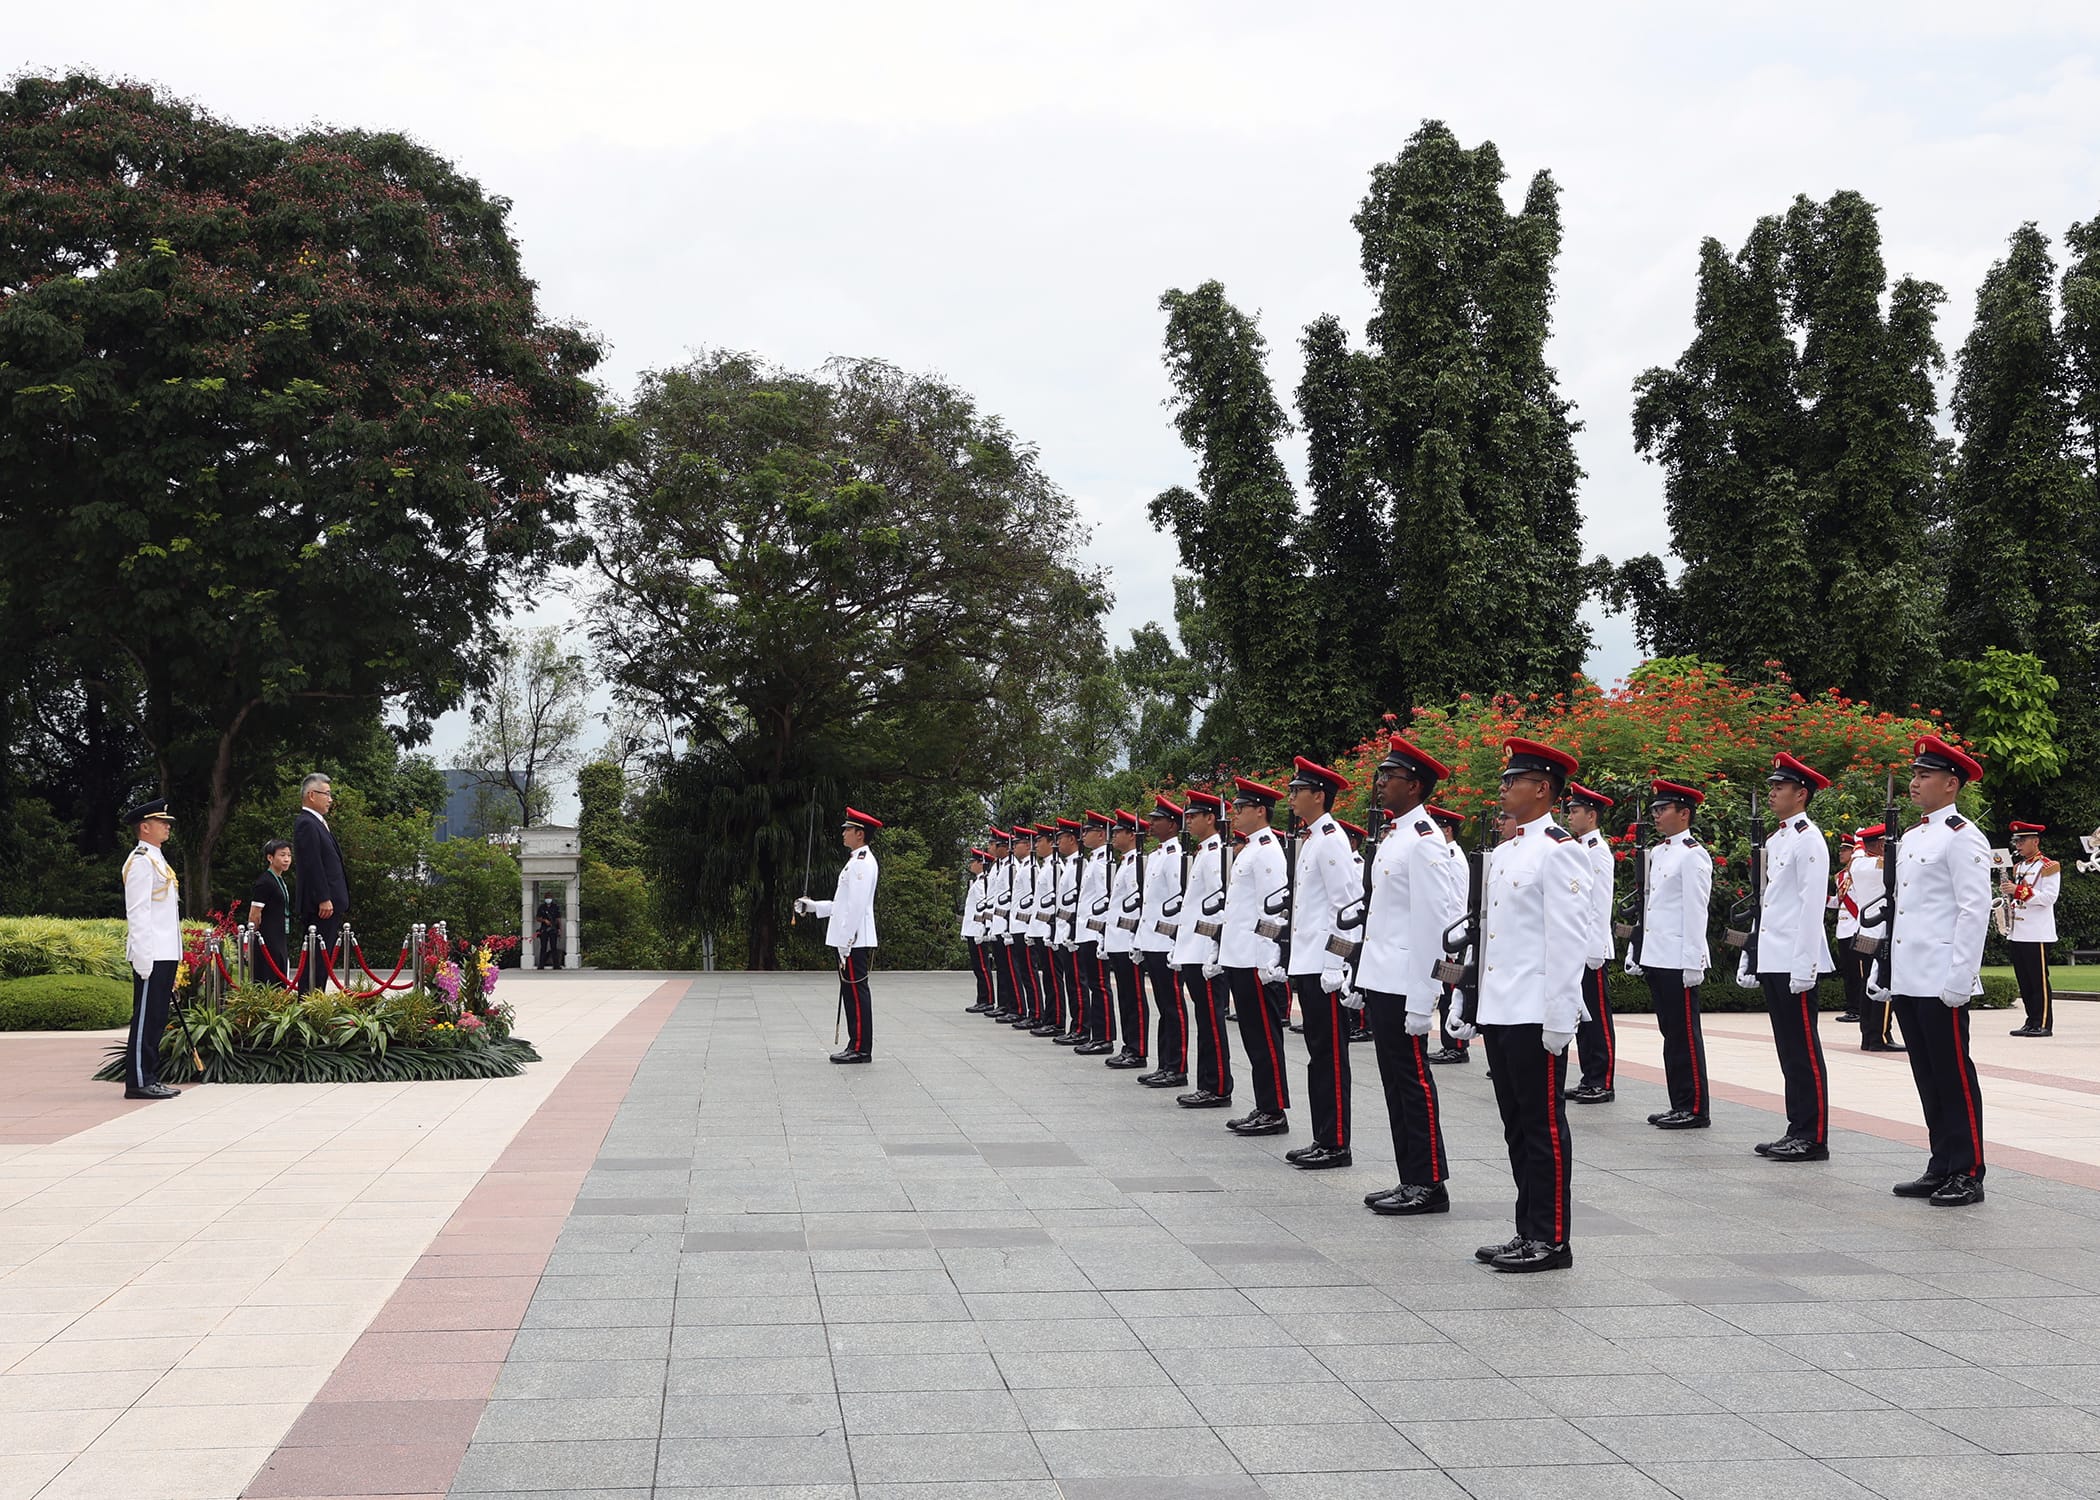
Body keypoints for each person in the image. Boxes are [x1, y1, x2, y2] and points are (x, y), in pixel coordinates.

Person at [1449, 738, 1588, 1273]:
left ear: (1543, 788)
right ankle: (1526, 1227)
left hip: (1536, 1009)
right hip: (1503, 1008)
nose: (1503, 787)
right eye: (1505, 779)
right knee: (1515, 1125)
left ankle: (1551, 1238)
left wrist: (1561, 1014)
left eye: (1514, 780)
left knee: (1542, 1125)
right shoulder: (1505, 852)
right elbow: (1489, 938)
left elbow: (1568, 940)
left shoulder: (1560, 850)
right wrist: (1468, 997)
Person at [1873, 735, 1991, 1207]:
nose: (1915, 782)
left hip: (1942, 978)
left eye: (1924, 775)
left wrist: (1960, 977)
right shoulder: (1916, 836)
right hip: (1910, 975)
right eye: (1915, 774)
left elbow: (1973, 910)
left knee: (1954, 1075)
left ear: (1951, 783)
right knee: (1927, 1074)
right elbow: (1904, 910)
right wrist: (1887, 966)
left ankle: (1967, 1170)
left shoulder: (1964, 836)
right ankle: (1941, 1162)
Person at [1356, 736, 1466, 1216]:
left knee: (1413, 1081)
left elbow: (1432, 924)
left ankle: (1428, 1182)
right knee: (1394, 1081)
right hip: (1382, 977)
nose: (1380, 783)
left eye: (1389, 777)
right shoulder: (1395, 835)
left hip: (1405, 983)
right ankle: (1409, 1177)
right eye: (1381, 775)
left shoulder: (1423, 841)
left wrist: (1426, 999)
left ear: (1415, 785)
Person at [1742, 753, 1836, 1164]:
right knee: (1788, 1049)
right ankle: (1796, 1127)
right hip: (1775, 957)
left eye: (1780, 787)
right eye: (1772, 786)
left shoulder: (1808, 839)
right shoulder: (1779, 839)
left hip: (1795, 961)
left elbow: (1810, 907)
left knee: (1803, 1051)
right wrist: (1755, 953)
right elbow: (1770, 906)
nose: (1772, 792)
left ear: (1801, 794)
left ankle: (1813, 1136)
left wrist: (1805, 966)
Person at [1285, 756, 1359, 1170]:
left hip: (1322, 966)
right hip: (1308, 962)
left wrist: (1336, 963)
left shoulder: (1330, 838)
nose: (1292, 797)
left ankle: (1335, 1142)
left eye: (1299, 791)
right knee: (1318, 1054)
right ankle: (1323, 1136)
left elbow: (1345, 906)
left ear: (1319, 795)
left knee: (1330, 1055)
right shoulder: (1313, 838)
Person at [1631, 779, 1714, 1130]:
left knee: (1684, 1035)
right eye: (1655, 810)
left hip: (1679, 958)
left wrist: (1693, 961)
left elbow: (1697, 910)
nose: (1657, 815)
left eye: (1663, 809)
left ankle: (1694, 1107)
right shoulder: (1662, 851)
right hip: (1659, 955)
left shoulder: (1693, 854)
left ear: (1684, 813)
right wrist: (1641, 949)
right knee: (1670, 1034)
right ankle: (1678, 1101)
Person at [1222, 776, 1293, 1139]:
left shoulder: (1267, 850)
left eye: (1240, 808)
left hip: (1254, 958)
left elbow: (1273, 910)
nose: (1234, 814)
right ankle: (1264, 1103)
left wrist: (1270, 959)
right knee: (1252, 1035)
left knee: (1265, 1036)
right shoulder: (1250, 848)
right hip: (1238, 954)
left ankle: (1274, 1108)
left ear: (1260, 811)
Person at [794, 807, 883, 1063]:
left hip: (854, 939)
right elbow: (842, 905)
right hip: (851, 938)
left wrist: (846, 942)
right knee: (850, 992)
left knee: (856, 992)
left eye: (848, 829)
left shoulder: (862, 864)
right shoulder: (855, 861)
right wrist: (813, 907)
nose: (843, 833)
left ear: (860, 834)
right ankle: (855, 1043)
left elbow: (856, 907)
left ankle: (860, 1048)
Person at [1172, 790, 1235, 1109]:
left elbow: (1220, 905)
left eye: (1194, 816)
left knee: (1212, 1021)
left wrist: (1215, 950)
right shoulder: (1203, 853)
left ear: (1211, 818)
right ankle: (1208, 1083)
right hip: (1194, 951)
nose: (1189, 820)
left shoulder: (1215, 855)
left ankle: (1218, 1086)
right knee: (1205, 1020)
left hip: (1205, 953)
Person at [120, 800, 184, 1100]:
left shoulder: (158, 859)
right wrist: (144, 957)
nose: (167, 825)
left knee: (156, 1017)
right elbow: (138, 913)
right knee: (145, 1017)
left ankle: (150, 1076)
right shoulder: (141, 861)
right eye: (161, 821)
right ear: (144, 827)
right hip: (152, 953)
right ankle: (139, 1080)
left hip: (165, 951)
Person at [1561, 783, 1619, 1105]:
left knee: (1596, 1017)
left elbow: (1600, 903)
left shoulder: (1597, 851)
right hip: (1575, 946)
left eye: (1575, 810)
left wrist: (1595, 948)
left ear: (1591, 815)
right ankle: (1589, 1077)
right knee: (1583, 1017)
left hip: (1590, 948)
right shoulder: (1578, 847)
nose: (1570, 815)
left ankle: (1602, 1080)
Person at [1137, 796, 1190, 1089]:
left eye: (1156, 819)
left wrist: (1175, 943)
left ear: (1171, 824)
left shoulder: (1175, 857)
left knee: (1173, 1007)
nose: (1151, 823)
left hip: (1166, 943)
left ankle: (1177, 1067)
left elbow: (1178, 902)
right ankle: (1164, 1064)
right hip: (1152, 941)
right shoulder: (1158, 855)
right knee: (1163, 1006)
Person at [291, 772, 349, 993]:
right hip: (321, 906)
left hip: (330, 903)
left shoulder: (318, 823)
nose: (330, 799)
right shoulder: (306, 823)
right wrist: (323, 897)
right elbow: (312, 864)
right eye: (327, 794)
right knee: (315, 960)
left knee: (322, 961)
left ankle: (316, 1001)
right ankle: (308, 1005)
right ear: (312, 795)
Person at [1424, 804, 1472, 1065]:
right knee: (1445, 992)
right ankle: (1449, 1043)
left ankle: (1456, 1046)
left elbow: (1454, 901)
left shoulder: (1453, 857)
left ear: (1448, 830)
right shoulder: (1446, 855)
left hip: (1451, 936)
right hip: (1445, 934)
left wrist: (1450, 940)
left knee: (1451, 993)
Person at [1102, 811, 1149, 1070]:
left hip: (1128, 939)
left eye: (1119, 832)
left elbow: (1137, 905)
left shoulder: (1140, 863)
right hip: (1118, 939)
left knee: (1135, 997)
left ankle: (1138, 1049)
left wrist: (1135, 940)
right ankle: (1129, 1045)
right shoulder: (1125, 863)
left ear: (1132, 835)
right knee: (1126, 997)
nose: (1114, 836)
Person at [1847, 826, 1901, 1050]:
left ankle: (1867, 1036)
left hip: (1863, 934)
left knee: (1865, 986)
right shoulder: (1883, 868)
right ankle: (1881, 1037)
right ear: (1881, 844)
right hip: (1881, 935)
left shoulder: (1858, 864)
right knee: (1883, 985)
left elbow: (1859, 851)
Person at [2004, 821, 2060, 1038]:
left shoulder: (2049, 866)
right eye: (2016, 841)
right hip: (2018, 930)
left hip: (2037, 932)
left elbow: (2049, 898)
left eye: (2022, 840)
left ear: (2035, 841)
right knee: (2024, 980)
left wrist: (2018, 891)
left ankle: (2044, 1022)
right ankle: (2031, 1020)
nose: (2018, 845)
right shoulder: (2019, 866)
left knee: (2038, 980)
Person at [1337, 821, 1375, 1044]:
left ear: (1352, 841)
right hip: (1347, 926)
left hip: (1356, 928)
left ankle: (1362, 1024)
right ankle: (1353, 1021)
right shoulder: (1346, 863)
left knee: (1356, 975)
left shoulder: (1359, 865)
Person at [247, 838, 294, 988]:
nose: (286, 859)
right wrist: (253, 938)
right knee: (269, 975)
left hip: (279, 934)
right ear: (270, 857)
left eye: (289, 855)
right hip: (267, 936)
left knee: (281, 970)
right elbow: (254, 913)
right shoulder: (265, 882)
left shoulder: (279, 879)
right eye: (282, 855)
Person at [961, 848, 993, 1013]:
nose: (970, 865)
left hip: (978, 930)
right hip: (972, 930)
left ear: (981, 863)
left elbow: (983, 907)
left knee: (982, 967)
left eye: (973, 862)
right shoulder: (978, 881)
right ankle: (982, 998)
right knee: (978, 967)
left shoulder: (982, 884)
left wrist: (983, 930)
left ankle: (986, 999)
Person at [534, 892, 564, 969]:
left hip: (553, 929)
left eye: (550, 897)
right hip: (544, 929)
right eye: (547, 897)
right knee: (543, 947)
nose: (548, 899)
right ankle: (541, 965)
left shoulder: (555, 907)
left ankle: (556, 965)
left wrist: (559, 929)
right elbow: (537, 918)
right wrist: (544, 920)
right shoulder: (542, 907)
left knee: (553, 947)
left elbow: (558, 919)